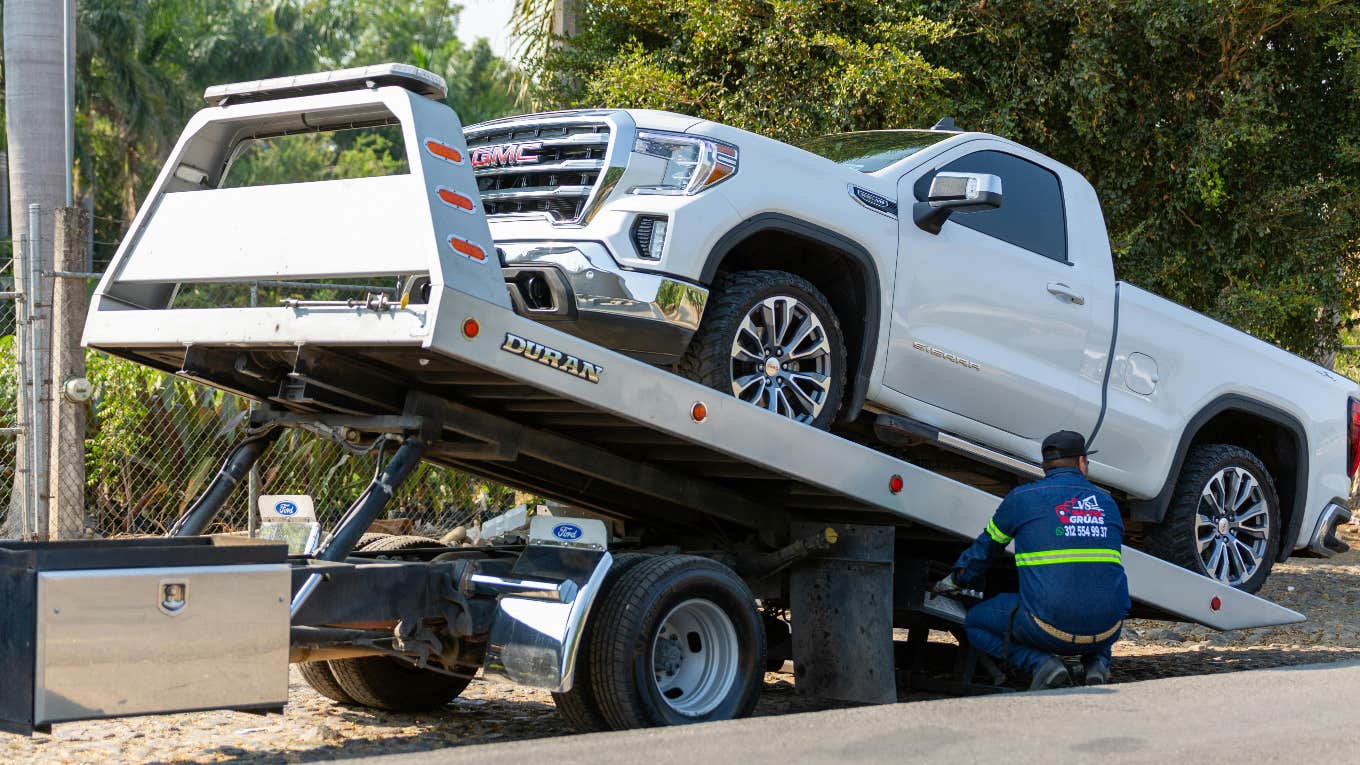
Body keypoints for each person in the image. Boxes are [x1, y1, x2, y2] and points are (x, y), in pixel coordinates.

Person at [933, 430, 1130, 689]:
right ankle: (1097, 665)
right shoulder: (1107, 503)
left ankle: (1042, 665)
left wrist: (957, 579)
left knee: (975, 623)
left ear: (1044, 466)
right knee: (1095, 599)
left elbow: (985, 550)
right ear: (1082, 463)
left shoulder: (1022, 499)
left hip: (1046, 629)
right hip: (1110, 629)